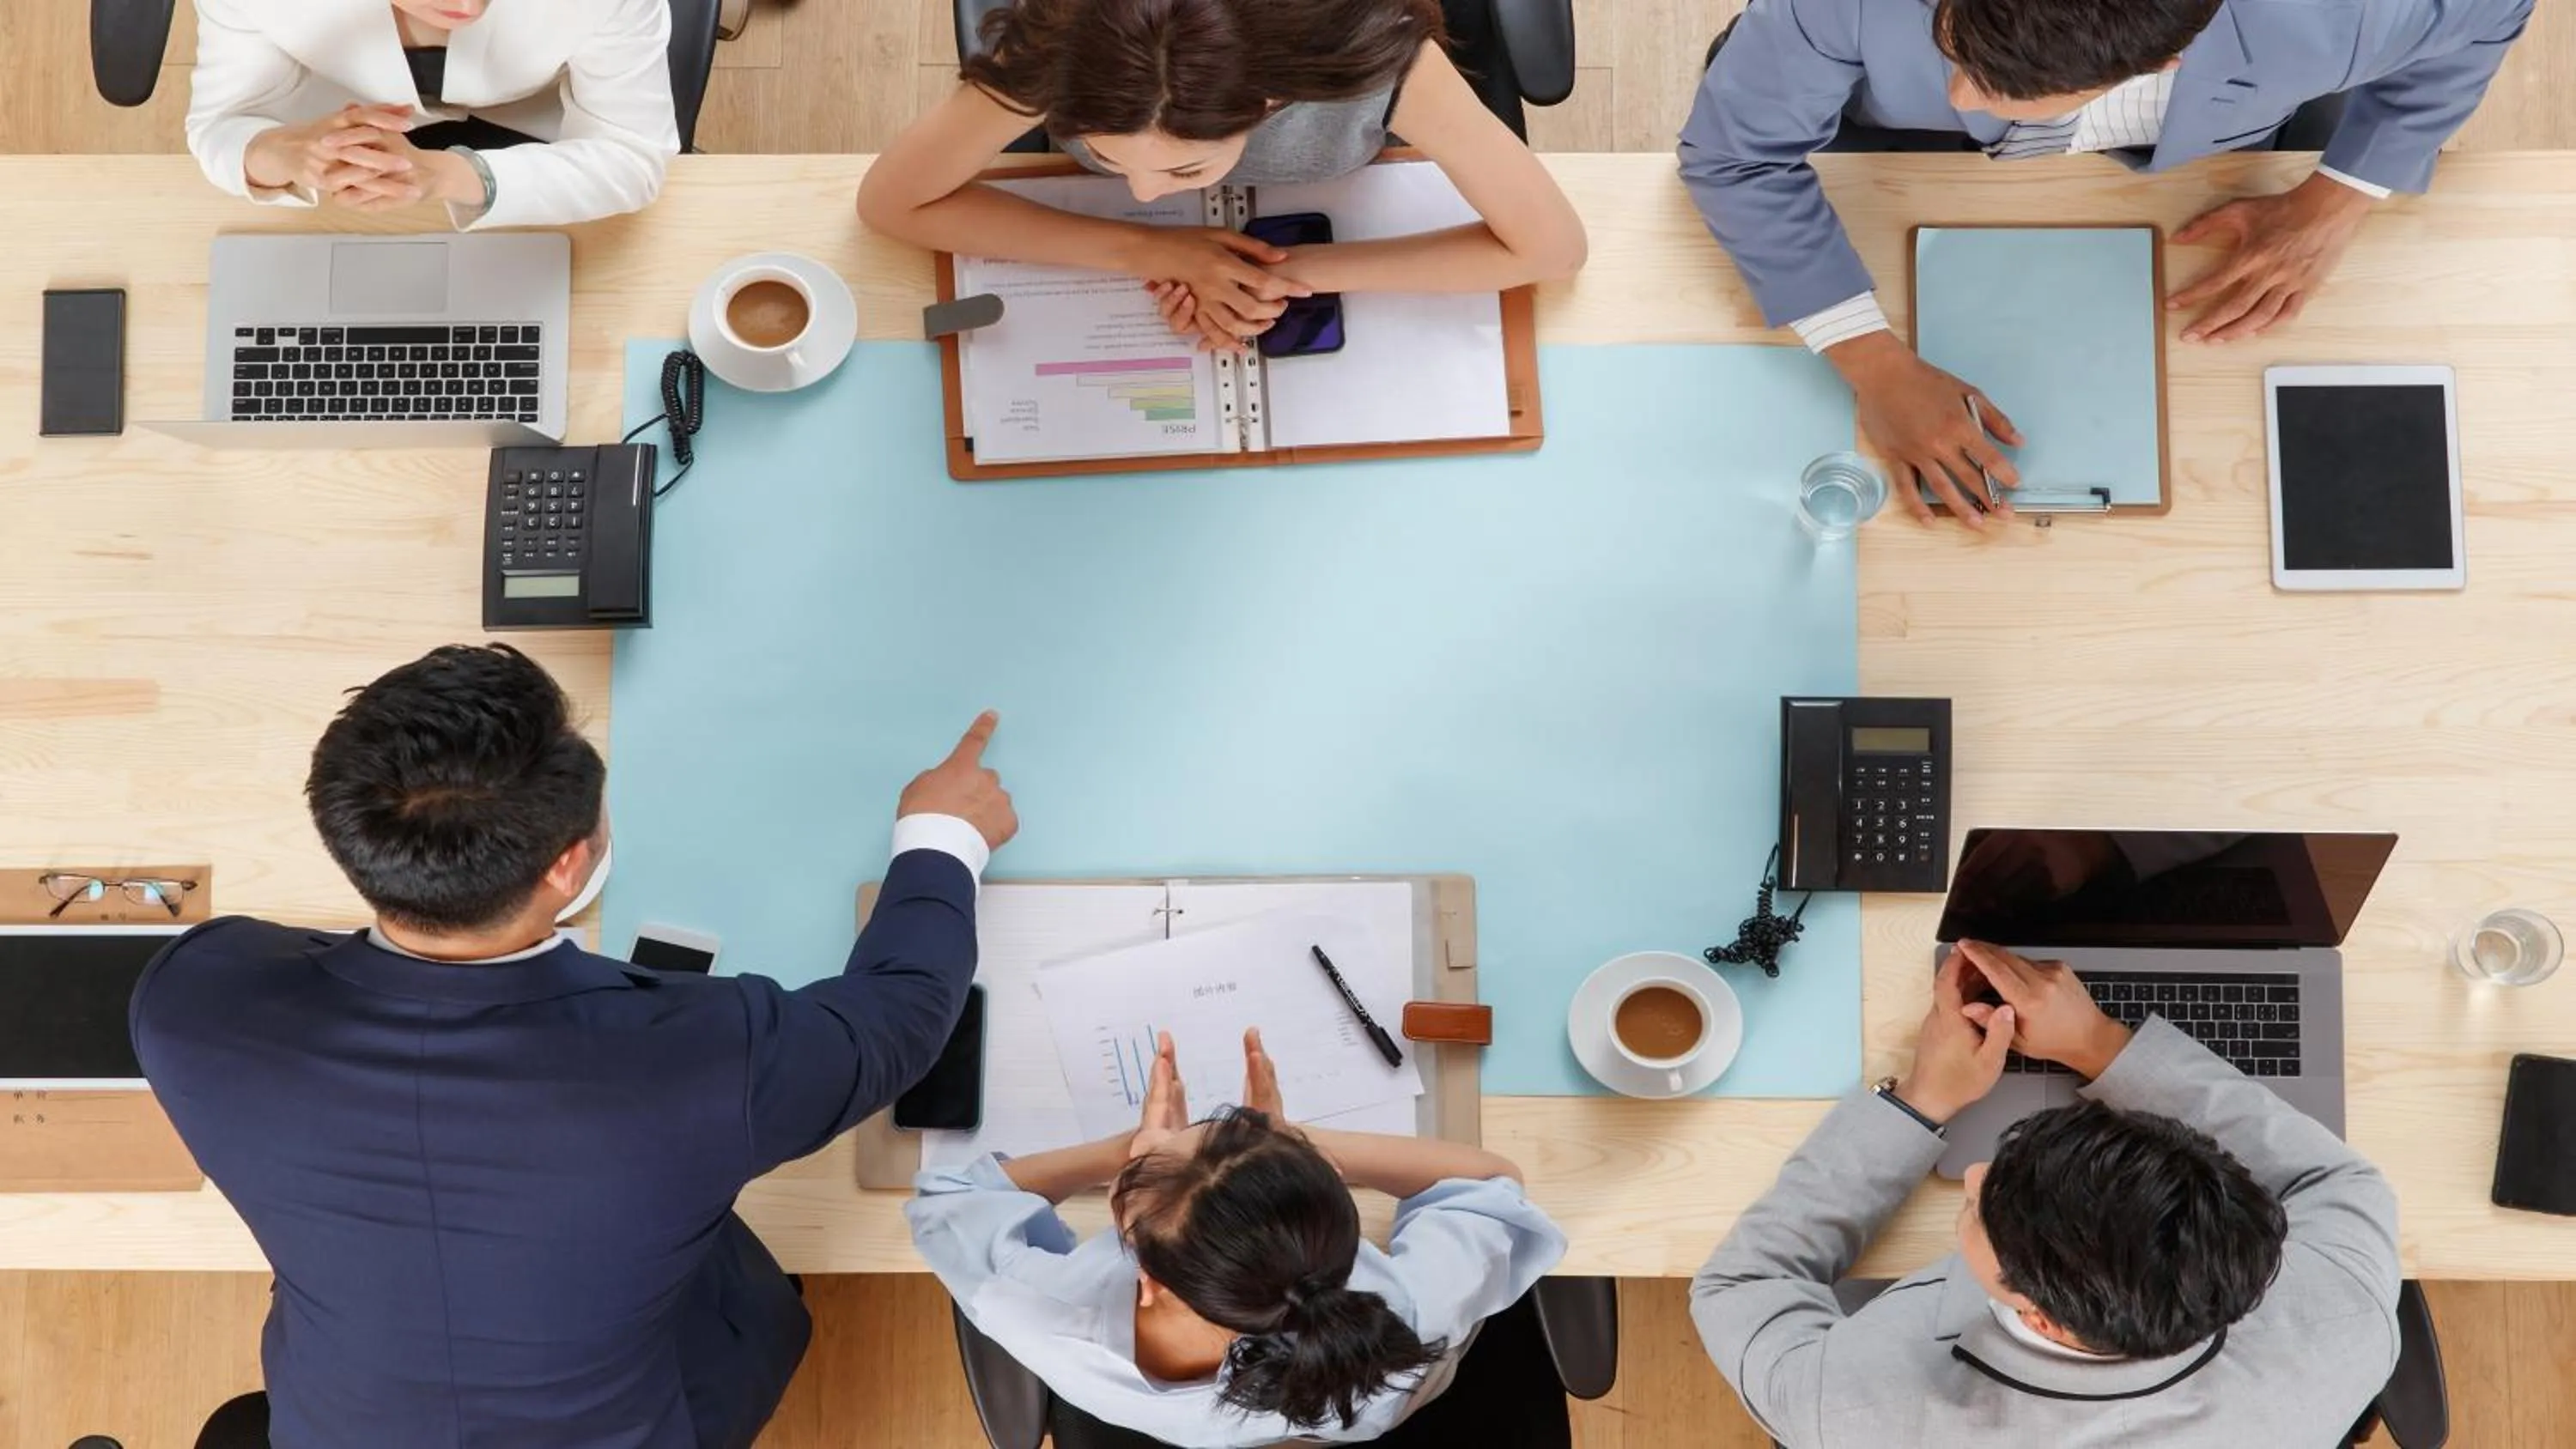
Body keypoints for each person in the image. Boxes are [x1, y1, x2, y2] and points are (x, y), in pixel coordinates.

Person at [130, 644, 1016, 1449]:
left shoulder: (193, 1004)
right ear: (566, 865)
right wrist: (943, 835)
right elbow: (898, 1018)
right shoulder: (702, 1061)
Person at [1678, 0, 2531, 529]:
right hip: (1890, 146)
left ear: (2164, 61)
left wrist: (2340, 196)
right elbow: (1737, 157)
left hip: (2202, 153)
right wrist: (1871, 359)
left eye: (1989, 78)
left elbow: (2489, 10)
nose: (1961, 95)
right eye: (1956, 44)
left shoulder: (2335, 14)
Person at [1691, 939, 2402, 1447]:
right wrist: (2098, 1042)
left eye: (1979, 1208)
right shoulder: (2344, 1317)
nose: (1972, 1176)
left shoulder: (1858, 1413)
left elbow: (1746, 1282)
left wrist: (1918, 1103)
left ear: (2046, 1316)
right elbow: (2334, 1180)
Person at [908, 1028, 1566, 1446]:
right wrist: (1307, 1145)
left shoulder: (1042, 1316)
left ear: (1146, 1277)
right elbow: (1493, 1184)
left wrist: (1121, 1151)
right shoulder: (1407, 1315)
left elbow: (951, 1200)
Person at [856, 0, 1587, 354]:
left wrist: (1285, 272)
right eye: (1108, 158)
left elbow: (1553, 250)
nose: (1145, 193)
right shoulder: (1062, 49)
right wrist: (1154, 250)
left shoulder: (1373, 58)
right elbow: (891, 202)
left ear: (1271, 100)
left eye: (1186, 167)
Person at [185, 0, 680, 229]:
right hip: (338, 137)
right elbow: (222, 122)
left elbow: (633, 154)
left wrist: (442, 174)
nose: (466, 5)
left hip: (537, 135)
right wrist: (284, 155)